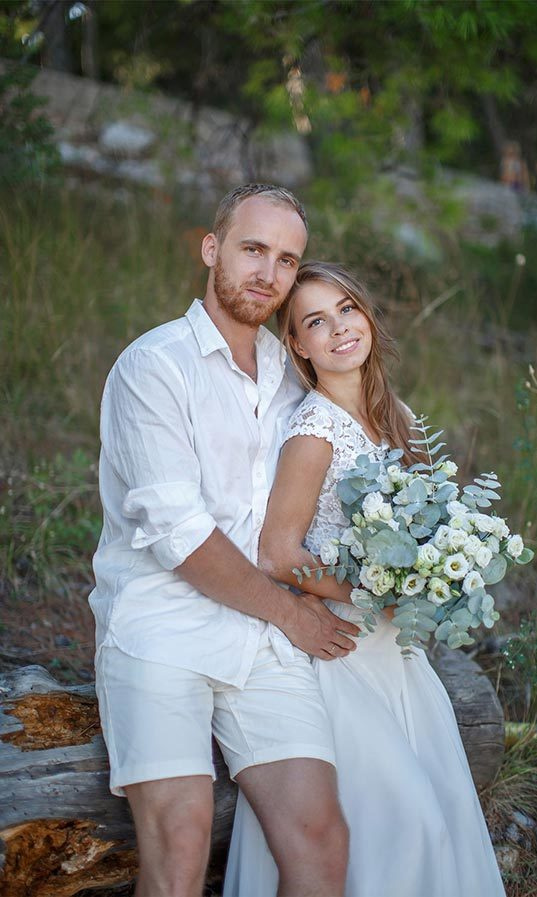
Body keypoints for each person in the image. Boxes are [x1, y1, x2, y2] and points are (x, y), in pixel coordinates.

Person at [89, 184, 359, 897]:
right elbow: (180, 537)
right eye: (253, 249)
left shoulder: (295, 386)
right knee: (181, 843)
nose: (268, 272)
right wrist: (291, 611)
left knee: (321, 840)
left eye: (286, 259)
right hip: (162, 625)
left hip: (261, 644)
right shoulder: (155, 366)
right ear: (212, 250)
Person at [222, 261, 506, 897]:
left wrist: (442, 571)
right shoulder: (313, 433)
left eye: (347, 309)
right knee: (407, 824)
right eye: (315, 322)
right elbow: (277, 553)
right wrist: (368, 593)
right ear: (297, 344)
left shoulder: (397, 414)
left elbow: (433, 519)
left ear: (368, 315)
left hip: (397, 653)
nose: (339, 329)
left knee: (439, 823)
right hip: (341, 650)